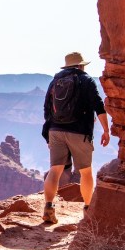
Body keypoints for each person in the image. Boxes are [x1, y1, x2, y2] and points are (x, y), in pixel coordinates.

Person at [42, 51, 110, 224]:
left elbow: (47, 108)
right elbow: (98, 105)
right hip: (79, 132)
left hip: (55, 130)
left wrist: (48, 134)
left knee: (55, 170)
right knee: (85, 171)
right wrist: (106, 130)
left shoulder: (55, 81)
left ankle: (48, 207)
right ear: (81, 66)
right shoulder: (86, 80)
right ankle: (88, 210)